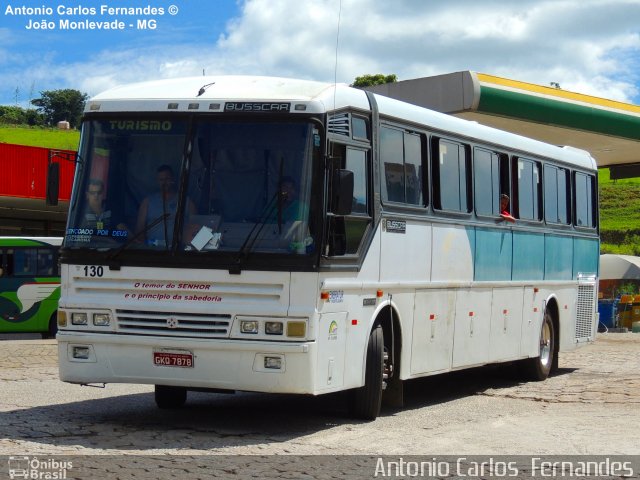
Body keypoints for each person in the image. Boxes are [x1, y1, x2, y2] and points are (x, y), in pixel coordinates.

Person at [136, 165, 195, 247]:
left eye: (167, 179)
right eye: (161, 180)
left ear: (173, 179)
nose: (164, 182)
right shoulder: (147, 202)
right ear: (157, 181)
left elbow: (195, 230)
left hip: (178, 251)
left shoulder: (187, 202)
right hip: (152, 250)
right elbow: (140, 231)